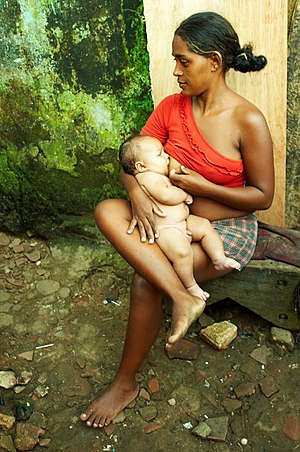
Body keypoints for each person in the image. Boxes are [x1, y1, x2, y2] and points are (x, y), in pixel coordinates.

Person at [80, 11, 274, 429]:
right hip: (171, 219)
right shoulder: (171, 108)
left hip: (222, 231)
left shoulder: (248, 121)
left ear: (215, 62)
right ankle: (185, 296)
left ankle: (125, 382)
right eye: (175, 60)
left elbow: (262, 196)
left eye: (184, 61)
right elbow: (131, 158)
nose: (176, 70)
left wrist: (201, 187)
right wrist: (136, 192)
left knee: (145, 279)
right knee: (105, 209)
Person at [119, 134, 241, 302]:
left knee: (204, 226)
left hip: (182, 222)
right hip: (167, 230)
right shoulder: (147, 177)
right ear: (141, 166)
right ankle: (190, 287)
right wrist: (183, 194)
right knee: (182, 253)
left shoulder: (156, 175)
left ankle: (218, 258)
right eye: (159, 154)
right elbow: (165, 195)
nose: (166, 156)